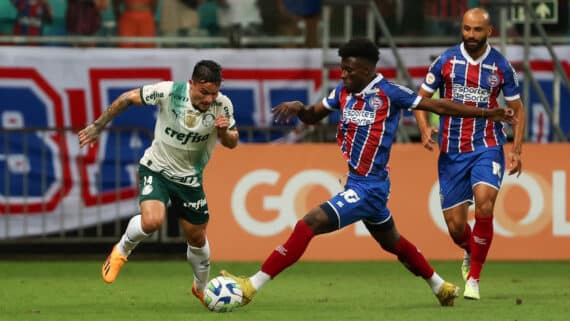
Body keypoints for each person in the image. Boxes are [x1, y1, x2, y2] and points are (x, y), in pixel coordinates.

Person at [221, 38, 515, 308]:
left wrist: (488, 114)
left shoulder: (389, 93)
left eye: (349, 70)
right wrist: (299, 107)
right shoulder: (341, 93)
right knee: (394, 243)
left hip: (370, 187)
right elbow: (313, 115)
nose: (343, 75)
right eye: (342, 69)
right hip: (358, 182)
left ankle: (251, 286)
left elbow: (435, 104)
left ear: (365, 69)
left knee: (308, 223)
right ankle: (440, 287)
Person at [78, 60, 239, 305]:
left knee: (197, 237)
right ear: (191, 84)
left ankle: (201, 287)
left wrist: (225, 132)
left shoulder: (222, 105)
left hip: (189, 179)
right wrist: (98, 125)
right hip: (156, 168)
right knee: (152, 221)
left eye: (213, 94)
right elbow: (127, 98)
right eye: (204, 93)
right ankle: (121, 250)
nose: (209, 99)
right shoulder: (169, 92)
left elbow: (232, 142)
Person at [413, 8, 525, 300]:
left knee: (485, 204)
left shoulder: (501, 66)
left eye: (477, 30)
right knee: (456, 228)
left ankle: (474, 278)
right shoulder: (446, 61)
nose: (471, 35)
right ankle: (468, 249)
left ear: (490, 31)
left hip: (487, 145)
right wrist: (425, 129)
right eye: (466, 29)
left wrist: (516, 149)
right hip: (451, 152)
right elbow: (420, 100)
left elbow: (518, 110)